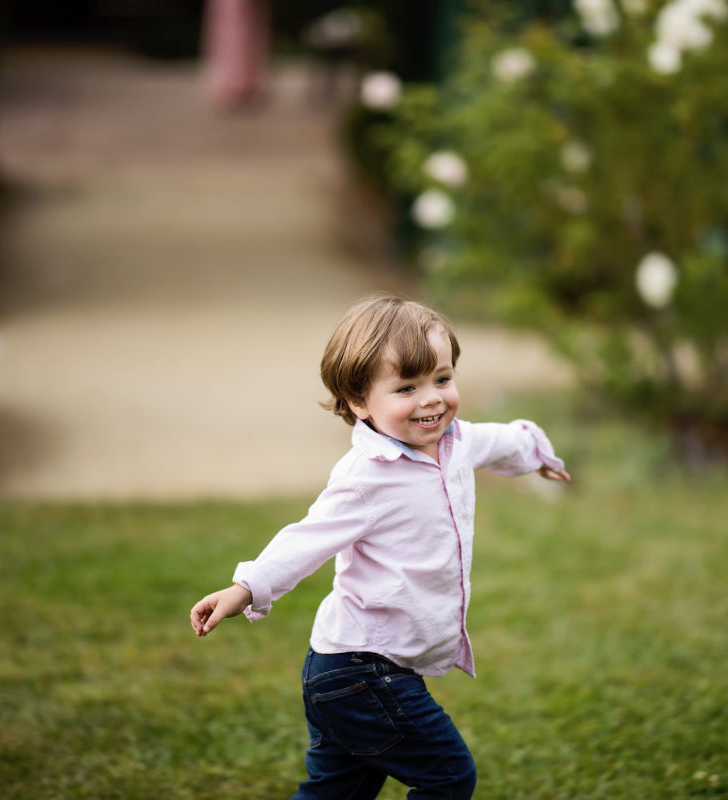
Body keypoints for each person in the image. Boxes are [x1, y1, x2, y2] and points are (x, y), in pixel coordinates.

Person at [189, 294, 571, 799]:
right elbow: (308, 537)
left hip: (349, 674)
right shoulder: (367, 476)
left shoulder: (454, 442)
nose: (432, 398)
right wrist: (246, 587)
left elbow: (499, 442)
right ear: (359, 402)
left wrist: (535, 453)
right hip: (362, 671)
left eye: (442, 378)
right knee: (449, 776)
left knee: (336, 794)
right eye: (406, 387)